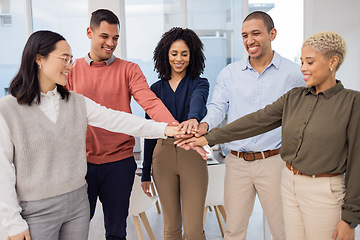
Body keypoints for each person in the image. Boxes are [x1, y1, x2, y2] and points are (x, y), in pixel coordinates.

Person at [176, 31, 359, 240]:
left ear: (333, 62)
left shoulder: (352, 103)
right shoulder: (295, 97)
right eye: (301, 62)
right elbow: (256, 121)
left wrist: (350, 218)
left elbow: (357, 164)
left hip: (324, 191)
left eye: (309, 62)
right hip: (289, 185)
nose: (303, 69)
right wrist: (207, 137)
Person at [0, 30, 180, 240]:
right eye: (64, 59)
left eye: (70, 59)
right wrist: (12, 222)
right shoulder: (8, 109)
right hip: (36, 211)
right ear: (39, 59)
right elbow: (2, 171)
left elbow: (117, 120)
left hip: (77, 206)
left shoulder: (76, 102)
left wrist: (168, 129)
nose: (70, 64)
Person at [175, 11, 304, 240]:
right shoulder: (229, 73)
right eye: (245, 35)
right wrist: (204, 125)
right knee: (233, 231)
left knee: (282, 230)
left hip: (274, 161)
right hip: (237, 162)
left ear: (272, 34)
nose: (249, 41)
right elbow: (217, 107)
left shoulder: (294, 73)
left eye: (256, 33)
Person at [67, 9, 177, 240]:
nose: (111, 43)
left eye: (115, 38)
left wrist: (174, 128)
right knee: (75, 232)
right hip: (80, 164)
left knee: (116, 232)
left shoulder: (129, 69)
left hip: (118, 163)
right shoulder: (71, 71)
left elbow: (150, 103)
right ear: (89, 32)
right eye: (104, 36)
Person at [141, 27, 209, 240]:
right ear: (165, 55)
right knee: (170, 228)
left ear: (192, 55)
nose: (179, 59)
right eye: (174, 53)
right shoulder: (155, 89)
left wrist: (193, 118)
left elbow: (198, 101)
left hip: (191, 152)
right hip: (162, 156)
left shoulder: (200, 83)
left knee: (193, 230)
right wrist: (145, 172)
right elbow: (150, 132)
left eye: (184, 53)